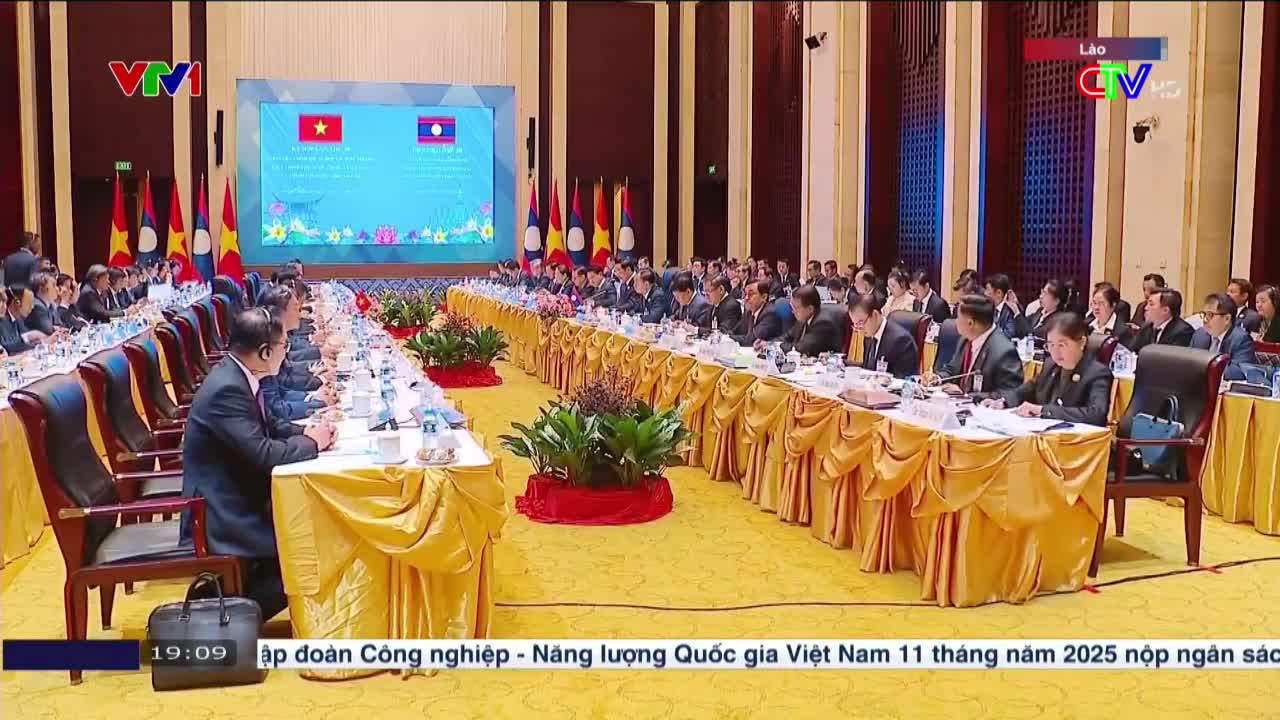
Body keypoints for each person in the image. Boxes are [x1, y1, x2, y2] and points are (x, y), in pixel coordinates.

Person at [181, 308, 335, 623]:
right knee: (310, 547)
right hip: (222, 512)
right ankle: (223, 617)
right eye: (283, 346)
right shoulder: (227, 388)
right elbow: (263, 454)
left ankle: (227, 605)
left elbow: (270, 424)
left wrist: (307, 432)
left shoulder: (237, 374)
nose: (286, 351)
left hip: (238, 493)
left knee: (310, 536)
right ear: (265, 352)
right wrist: (312, 445)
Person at [979, 313, 1114, 427]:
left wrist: (1043, 410)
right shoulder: (1050, 365)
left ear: (1082, 342)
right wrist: (1003, 402)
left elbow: (1096, 414)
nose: (1055, 352)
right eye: (1051, 345)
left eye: (1061, 345)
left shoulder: (1097, 373)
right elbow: (1028, 390)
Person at [257, 286, 338, 419]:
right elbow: (279, 399)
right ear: (281, 312)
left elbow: (281, 388)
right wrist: (317, 400)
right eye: (296, 308)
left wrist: (311, 397)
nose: (301, 311)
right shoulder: (264, 350)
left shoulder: (273, 338)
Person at [929, 295, 1024, 395]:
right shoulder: (965, 339)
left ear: (970, 323)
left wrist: (965, 395)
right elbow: (952, 369)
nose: (956, 321)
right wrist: (937, 378)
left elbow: (1010, 394)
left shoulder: (1004, 352)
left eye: (958, 317)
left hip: (978, 404)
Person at [848, 291, 918, 378]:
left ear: (875, 315)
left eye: (861, 323)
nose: (859, 329)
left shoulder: (901, 340)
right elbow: (869, 368)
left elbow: (904, 380)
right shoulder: (869, 335)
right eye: (855, 325)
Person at [1192, 293, 1257, 382]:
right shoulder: (1199, 335)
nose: (1205, 320)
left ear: (1227, 319)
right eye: (1204, 314)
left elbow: (1240, 371)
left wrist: (1204, 371)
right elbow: (1189, 363)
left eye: (1210, 315)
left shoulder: (1241, 339)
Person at [762, 285, 841, 357]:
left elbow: (801, 349)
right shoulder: (802, 320)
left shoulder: (823, 324)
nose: (792, 311)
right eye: (791, 307)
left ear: (810, 309)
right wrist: (768, 344)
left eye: (795, 308)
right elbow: (786, 337)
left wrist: (776, 346)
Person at [1128, 288, 1194, 351]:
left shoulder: (1183, 332)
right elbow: (1132, 350)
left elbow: (1171, 357)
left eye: (1151, 304)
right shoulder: (1146, 327)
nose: (1145, 308)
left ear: (1165, 310)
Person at [734, 280, 787, 346]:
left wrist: (730, 338)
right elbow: (737, 330)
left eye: (751, 294)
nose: (746, 298)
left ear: (764, 297)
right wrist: (726, 336)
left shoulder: (770, 314)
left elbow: (751, 340)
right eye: (745, 294)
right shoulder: (749, 311)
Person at [2, 285, 48, 354]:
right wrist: (27, 336)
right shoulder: (2, 320)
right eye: (29, 302)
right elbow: (6, 347)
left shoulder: (18, 320)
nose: (32, 307)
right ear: (17, 302)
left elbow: (24, 344)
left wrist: (42, 342)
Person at [983, 273, 1027, 340]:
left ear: (999, 293)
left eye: (988, 289)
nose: (985, 293)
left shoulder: (1010, 310)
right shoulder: (989, 308)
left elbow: (1008, 334)